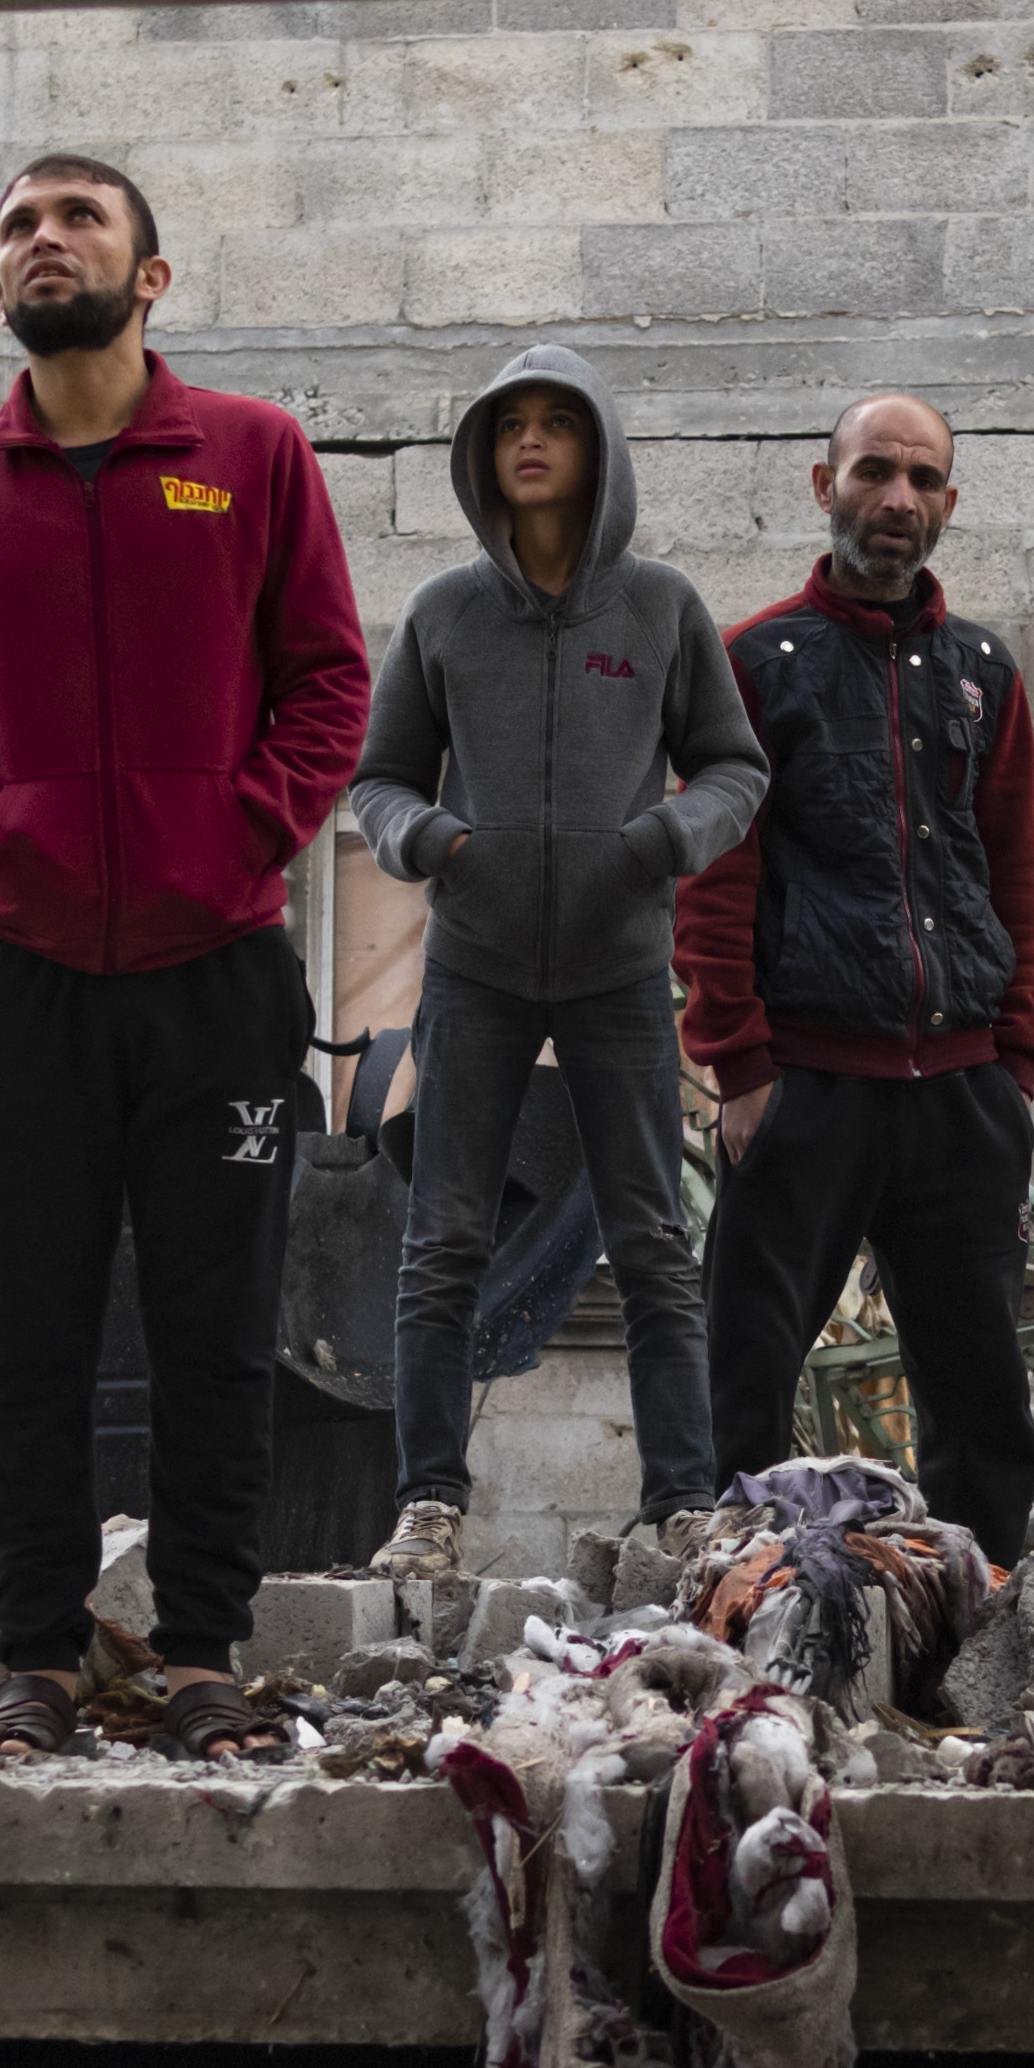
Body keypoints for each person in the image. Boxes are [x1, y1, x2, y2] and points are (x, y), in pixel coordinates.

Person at [0, 148, 373, 1748]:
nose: (41, 239)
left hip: (221, 986)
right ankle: (40, 1655)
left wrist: (242, 832)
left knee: (219, 1326)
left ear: (148, 279)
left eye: (78, 218)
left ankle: (203, 1647)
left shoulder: (251, 456)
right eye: (17, 225)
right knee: (32, 1333)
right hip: (22, 984)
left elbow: (328, 683)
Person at [345, 346, 765, 1571]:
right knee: (441, 1242)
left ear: (598, 451)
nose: (529, 441)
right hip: (472, 965)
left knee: (649, 1242)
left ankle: (682, 1499)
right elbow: (376, 778)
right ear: (483, 456)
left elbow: (734, 767)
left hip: (618, 967)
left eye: (556, 424)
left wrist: (664, 837)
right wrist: (426, 837)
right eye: (507, 425)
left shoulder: (659, 608)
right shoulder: (441, 614)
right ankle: (428, 1504)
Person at [681, 390, 1034, 1557]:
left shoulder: (982, 671)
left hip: (960, 1089)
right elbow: (714, 875)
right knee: (743, 1378)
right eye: (873, 471)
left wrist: (1015, 1056)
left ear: (947, 503)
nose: (895, 498)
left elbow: (1014, 866)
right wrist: (738, 1066)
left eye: (921, 479)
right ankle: (733, 1605)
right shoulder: (753, 663)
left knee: (982, 1399)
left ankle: (978, 1613)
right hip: (805, 1084)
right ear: (822, 484)